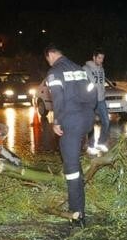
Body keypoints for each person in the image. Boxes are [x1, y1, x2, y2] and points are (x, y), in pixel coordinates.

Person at [44, 44, 97, 227]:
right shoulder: (79, 69)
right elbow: (93, 92)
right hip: (87, 119)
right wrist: (89, 113)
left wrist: (57, 121)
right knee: (75, 158)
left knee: (72, 167)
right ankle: (78, 198)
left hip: (71, 120)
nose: (49, 62)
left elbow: (57, 98)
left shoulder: (54, 72)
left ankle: (77, 211)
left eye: (48, 59)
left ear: (51, 55)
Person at [83, 48, 109, 155]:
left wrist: (103, 92)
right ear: (94, 57)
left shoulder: (101, 69)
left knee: (106, 121)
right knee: (91, 123)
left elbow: (101, 84)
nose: (101, 60)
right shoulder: (85, 68)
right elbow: (84, 85)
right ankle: (90, 145)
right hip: (91, 100)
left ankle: (101, 142)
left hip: (101, 99)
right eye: (99, 58)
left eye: (102, 58)